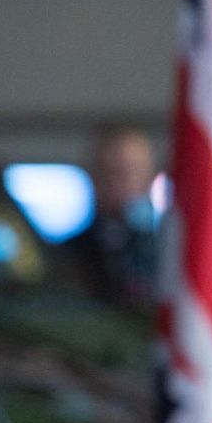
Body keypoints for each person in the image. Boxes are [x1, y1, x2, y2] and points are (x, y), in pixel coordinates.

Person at [49, 125, 159, 309]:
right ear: (93, 176)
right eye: (111, 171)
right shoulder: (66, 257)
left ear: (149, 177)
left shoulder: (168, 254)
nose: (122, 181)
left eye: (132, 170)